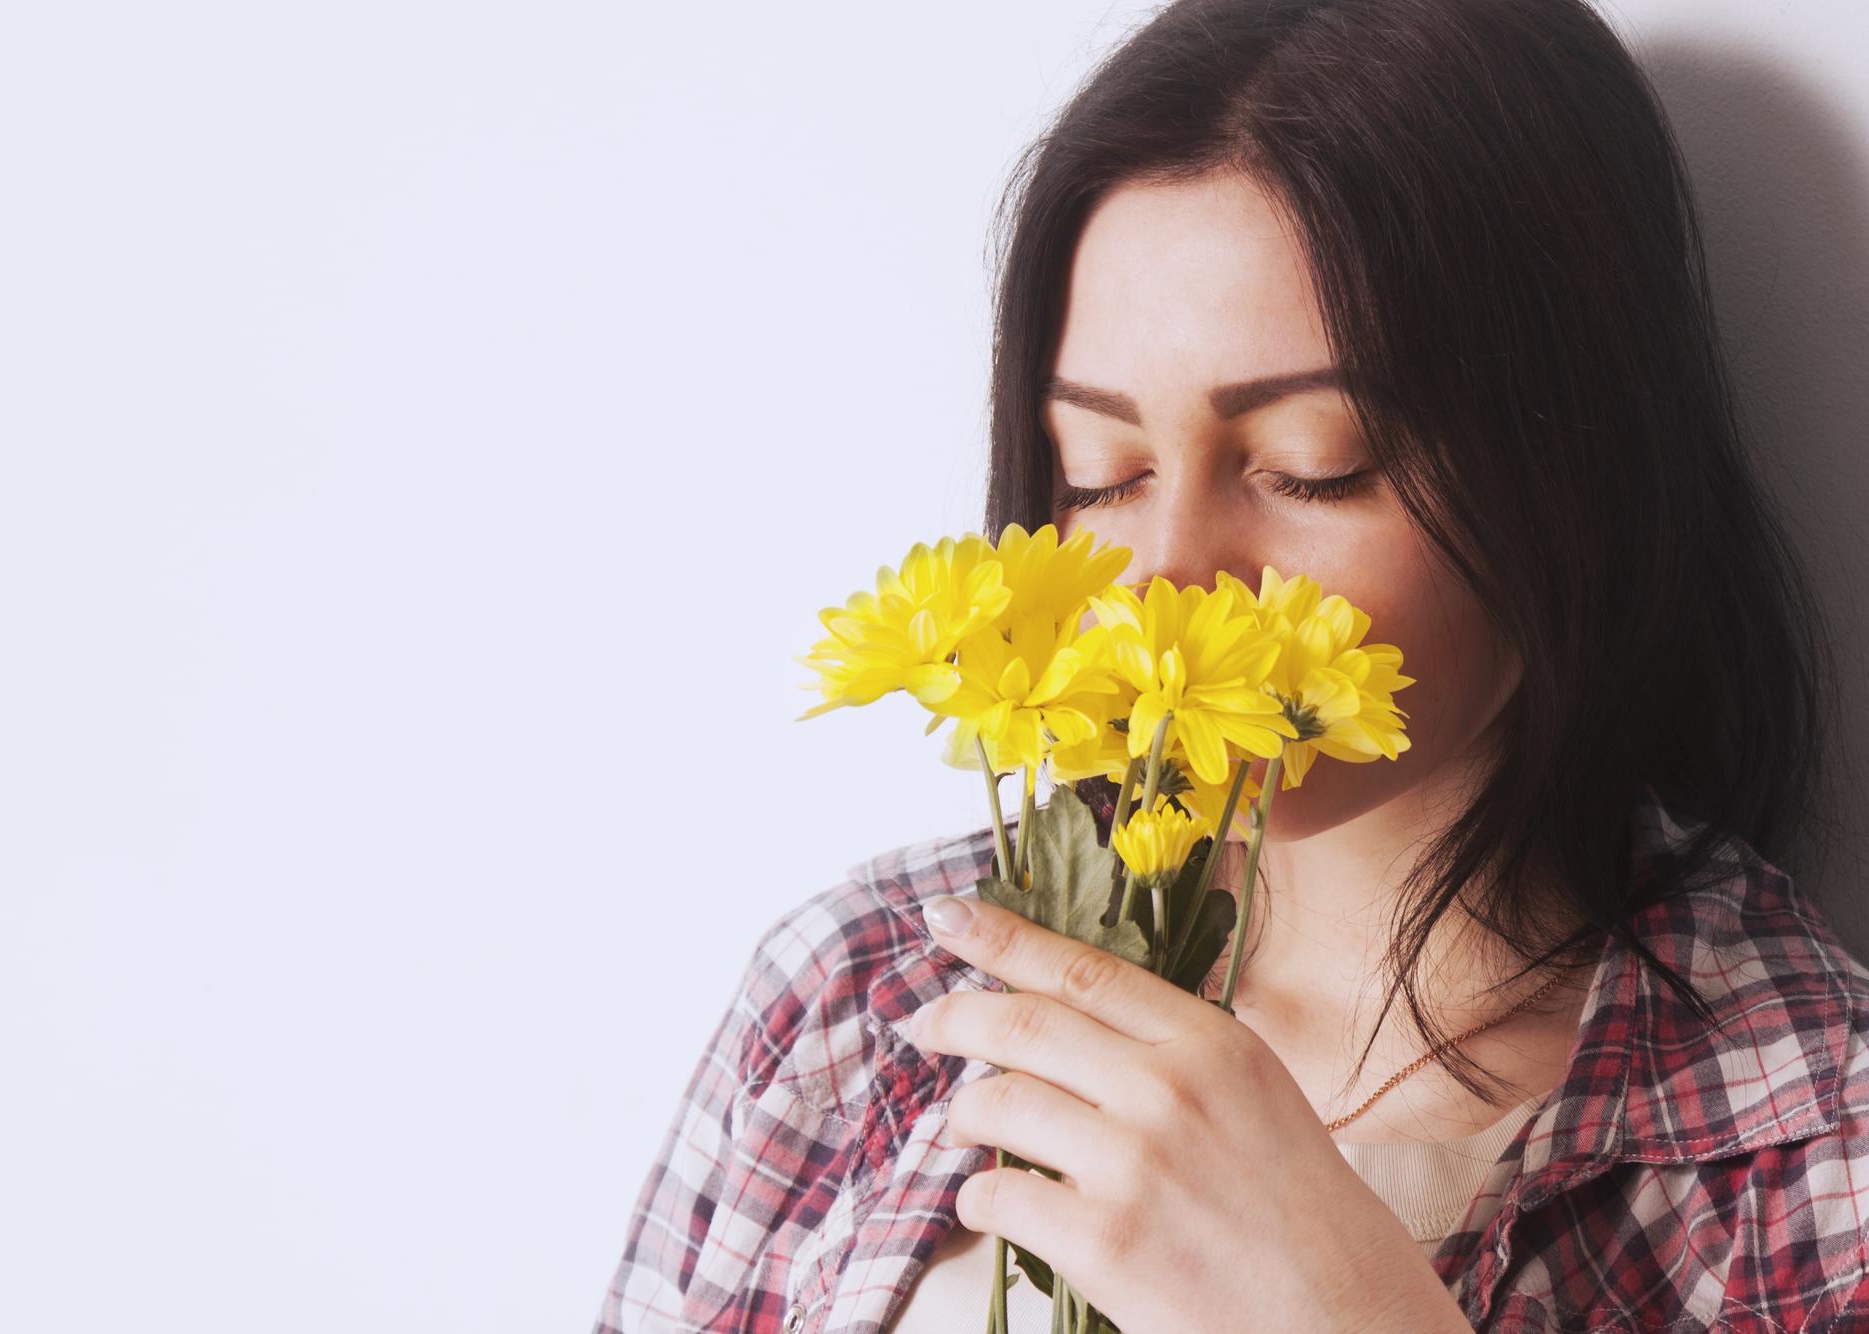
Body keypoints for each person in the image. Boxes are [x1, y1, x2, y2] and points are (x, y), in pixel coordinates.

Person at [594, 0, 1869, 1329]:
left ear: (1573, 476)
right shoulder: (858, 1002)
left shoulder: (1809, 1154)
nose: (1165, 585)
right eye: (1104, 475)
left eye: (1308, 468)